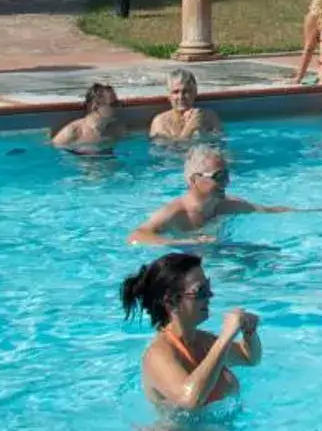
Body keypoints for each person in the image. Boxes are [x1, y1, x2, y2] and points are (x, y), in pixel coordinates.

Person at [120, 252, 261, 410]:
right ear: (170, 301)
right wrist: (226, 336)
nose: (210, 295)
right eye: (200, 291)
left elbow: (249, 358)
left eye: (208, 287)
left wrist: (249, 332)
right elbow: (189, 400)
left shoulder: (202, 341)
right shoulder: (157, 355)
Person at [127, 145, 299, 246]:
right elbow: (136, 236)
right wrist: (186, 243)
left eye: (226, 175)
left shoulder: (226, 205)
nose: (226, 182)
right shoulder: (175, 212)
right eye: (218, 176)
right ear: (195, 180)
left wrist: (316, 211)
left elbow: (269, 210)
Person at [148, 69, 222, 146]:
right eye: (175, 92)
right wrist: (190, 128)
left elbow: (220, 145)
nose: (181, 97)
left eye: (186, 91)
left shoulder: (209, 117)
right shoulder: (160, 122)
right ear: (169, 95)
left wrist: (202, 131)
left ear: (195, 93)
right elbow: (167, 152)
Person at [51, 81, 123, 153]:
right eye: (114, 104)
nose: (119, 107)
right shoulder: (73, 132)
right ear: (95, 106)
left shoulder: (116, 130)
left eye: (118, 103)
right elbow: (53, 151)